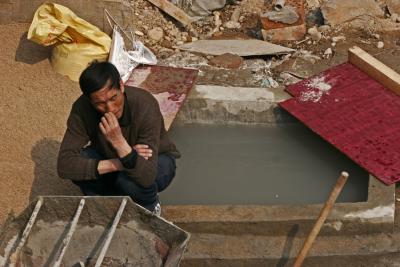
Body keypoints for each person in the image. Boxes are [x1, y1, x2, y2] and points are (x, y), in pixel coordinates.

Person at [57, 61, 180, 215]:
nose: (110, 108)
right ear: (89, 100)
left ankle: (150, 205)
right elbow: (64, 166)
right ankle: (107, 203)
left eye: (113, 98)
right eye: (100, 104)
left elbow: (147, 175)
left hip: (156, 160)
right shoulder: (82, 109)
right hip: (117, 159)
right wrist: (119, 163)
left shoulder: (144, 105)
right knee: (82, 161)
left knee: (129, 181)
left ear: (121, 86)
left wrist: (119, 142)